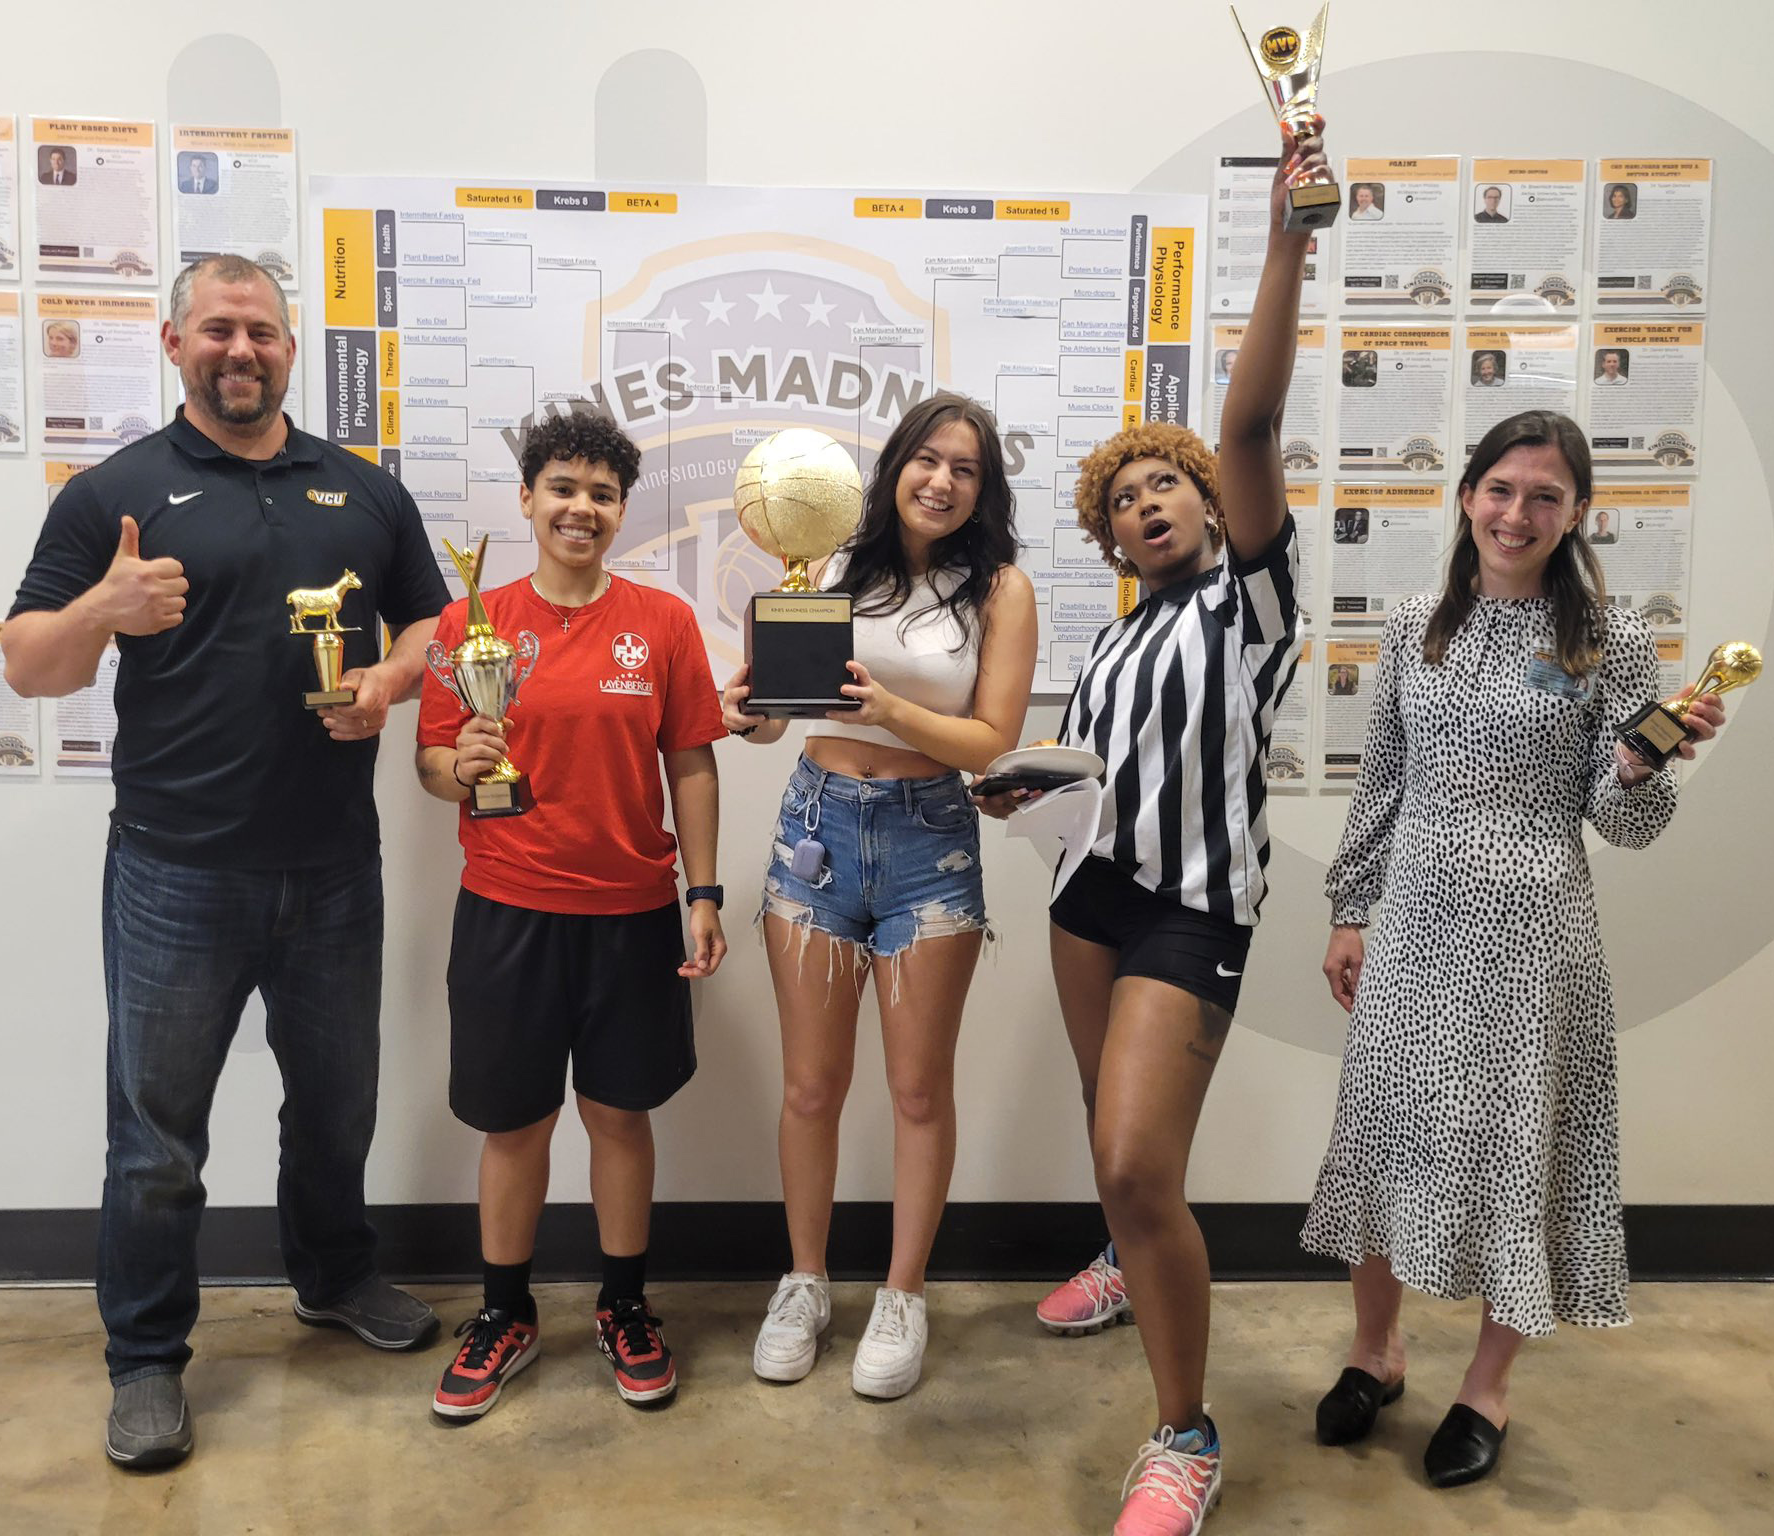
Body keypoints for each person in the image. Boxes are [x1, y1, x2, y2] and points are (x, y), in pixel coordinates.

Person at [3, 254, 450, 1472]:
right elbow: (28, 666)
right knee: (157, 1140)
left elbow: (430, 619)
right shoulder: (115, 492)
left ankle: (332, 1275)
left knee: (337, 1108)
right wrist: (106, 608)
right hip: (175, 875)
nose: (239, 350)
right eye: (217, 331)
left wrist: (393, 679)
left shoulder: (362, 488)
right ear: (173, 342)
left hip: (333, 868)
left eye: (260, 331)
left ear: (291, 349)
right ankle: (146, 1360)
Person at [989, 120, 1325, 1536]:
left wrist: (1286, 239)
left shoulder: (1249, 607)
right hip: (1090, 899)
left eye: (1165, 486)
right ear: (1113, 536)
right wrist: (1035, 784)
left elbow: (1249, 422)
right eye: (1124, 503)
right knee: (1106, 1128)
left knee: (1138, 1161)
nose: (1147, 507)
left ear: (1207, 500)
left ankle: (1184, 1436)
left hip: (1197, 912)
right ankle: (1129, 1258)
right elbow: (1110, 765)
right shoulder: (1120, 641)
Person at [1300, 409, 1725, 1490]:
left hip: (1535, 931)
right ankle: (1374, 1352)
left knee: (1521, 1149)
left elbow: (1617, 823)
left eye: (1544, 496)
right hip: (1416, 920)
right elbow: (1382, 776)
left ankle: (1485, 1385)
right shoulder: (1413, 625)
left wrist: (1638, 767)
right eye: (1499, 489)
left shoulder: (1609, 640)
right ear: (1465, 496)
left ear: (1577, 512)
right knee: (1386, 1130)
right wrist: (1350, 908)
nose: (1516, 513)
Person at [721, 391, 1035, 1400]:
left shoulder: (998, 591)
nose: (940, 480)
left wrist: (888, 703)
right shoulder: (827, 572)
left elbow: (990, 742)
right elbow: (781, 720)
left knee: (913, 1088)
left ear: (982, 490)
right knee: (811, 1086)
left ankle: (902, 1294)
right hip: (814, 830)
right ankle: (804, 1280)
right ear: (894, 466)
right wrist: (747, 710)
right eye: (925, 459)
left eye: (965, 468)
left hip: (927, 845)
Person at [417, 410, 727, 1419]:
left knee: (617, 1115)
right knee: (514, 1123)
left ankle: (624, 1306)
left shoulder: (662, 623)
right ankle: (502, 1314)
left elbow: (690, 759)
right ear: (526, 499)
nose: (579, 508)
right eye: (562, 488)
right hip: (506, 905)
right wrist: (452, 767)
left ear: (620, 511)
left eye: (600, 493)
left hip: (632, 911)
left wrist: (704, 893)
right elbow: (431, 759)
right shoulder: (472, 624)